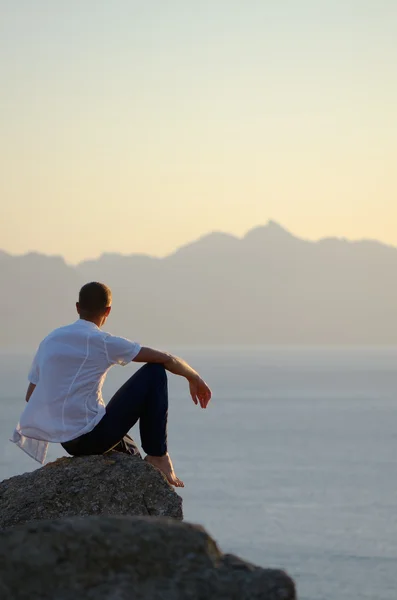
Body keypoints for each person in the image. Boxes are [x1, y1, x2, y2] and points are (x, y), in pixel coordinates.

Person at [11, 282, 212, 487]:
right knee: (155, 372)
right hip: (92, 437)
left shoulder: (50, 340)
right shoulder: (102, 341)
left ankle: (142, 465)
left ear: (78, 307)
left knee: (131, 450)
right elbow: (165, 358)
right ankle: (158, 455)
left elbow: (31, 396)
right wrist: (194, 377)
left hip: (69, 442)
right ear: (108, 311)